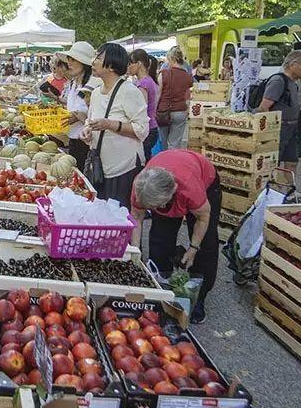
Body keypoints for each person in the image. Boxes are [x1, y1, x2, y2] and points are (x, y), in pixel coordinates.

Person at [131, 150, 221, 324]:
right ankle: (161, 288)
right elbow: (137, 217)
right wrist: (136, 251)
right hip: (161, 181)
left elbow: (203, 217)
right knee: (160, 239)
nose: (156, 209)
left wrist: (193, 248)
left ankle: (198, 297)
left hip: (203, 180)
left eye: (158, 205)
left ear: (170, 196)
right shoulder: (141, 187)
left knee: (206, 244)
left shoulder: (189, 188)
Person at [81, 42, 148, 207]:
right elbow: (90, 122)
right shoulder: (96, 93)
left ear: (111, 65)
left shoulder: (130, 92)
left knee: (120, 217)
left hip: (124, 168)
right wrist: (86, 133)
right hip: (99, 168)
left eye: (98, 57)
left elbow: (142, 130)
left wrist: (110, 124)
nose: (93, 61)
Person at [256, 50, 301, 172]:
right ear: (292, 65)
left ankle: (289, 189)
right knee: (273, 162)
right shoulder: (278, 81)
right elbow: (263, 107)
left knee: (292, 161)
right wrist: (270, 131)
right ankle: (271, 187)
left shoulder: (294, 83)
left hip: (291, 129)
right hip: (279, 129)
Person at [59, 41, 96, 171]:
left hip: (87, 142)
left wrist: (78, 116)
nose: (69, 62)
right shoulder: (73, 83)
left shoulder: (93, 85)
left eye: (73, 59)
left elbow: (96, 114)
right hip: (73, 139)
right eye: (68, 59)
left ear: (84, 63)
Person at [157, 46, 193, 150]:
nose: (167, 62)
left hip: (163, 112)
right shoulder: (187, 76)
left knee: (162, 144)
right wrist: (186, 109)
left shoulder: (163, 74)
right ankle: (172, 164)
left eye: (168, 60)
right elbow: (188, 96)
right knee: (175, 145)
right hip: (180, 112)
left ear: (172, 59)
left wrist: (154, 110)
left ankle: (163, 162)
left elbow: (158, 94)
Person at [128, 49, 159, 161]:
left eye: (130, 63)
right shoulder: (149, 80)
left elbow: (141, 110)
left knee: (142, 162)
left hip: (147, 129)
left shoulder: (143, 84)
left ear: (139, 64)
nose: (128, 67)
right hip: (152, 127)